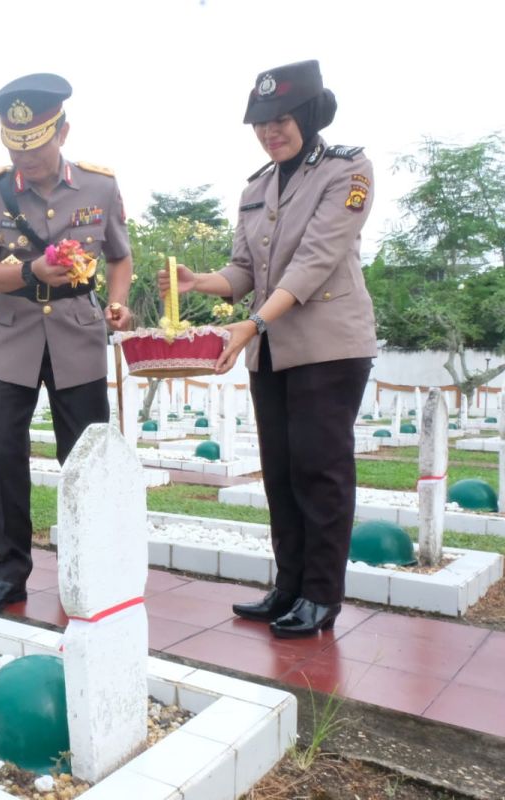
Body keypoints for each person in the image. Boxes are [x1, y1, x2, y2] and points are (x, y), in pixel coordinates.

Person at [159, 60, 376, 638]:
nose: (269, 133)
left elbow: (313, 263)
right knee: (280, 471)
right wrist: (196, 281)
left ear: (306, 115)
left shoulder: (348, 170)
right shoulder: (256, 186)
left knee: (320, 470)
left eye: (279, 120)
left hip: (329, 346)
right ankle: (289, 586)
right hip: (273, 350)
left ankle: (321, 596)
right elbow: (243, 269)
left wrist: (252, 323)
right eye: (260, 124)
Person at [0, 74, 134, 615]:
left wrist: (120, 301)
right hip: (8, 337)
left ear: (63, 131)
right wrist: (32, 269)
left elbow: (119, 256)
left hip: (76, 336)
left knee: (84, 458)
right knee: (3, 459)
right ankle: (8, 572)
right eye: (15, 146)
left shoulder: (99, 186)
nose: (26, 157)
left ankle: (91, 564)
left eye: (35, 144)